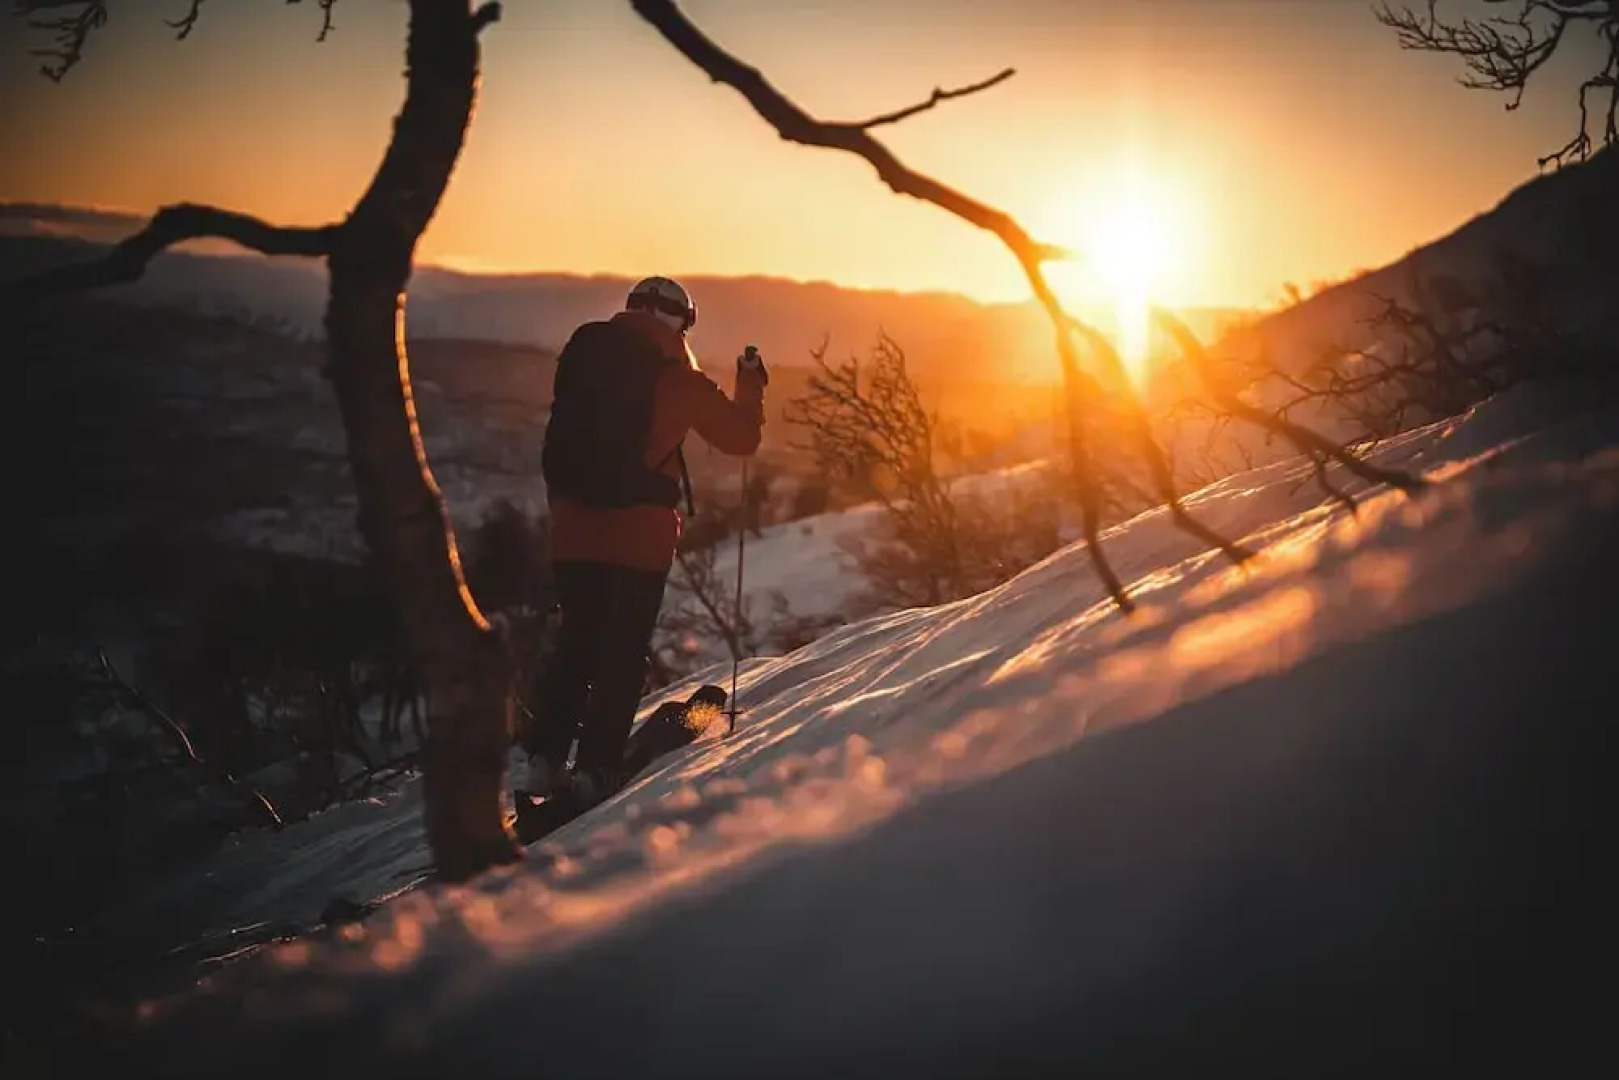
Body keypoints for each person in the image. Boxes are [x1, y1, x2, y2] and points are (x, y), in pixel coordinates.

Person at [520, 275, 767, 807]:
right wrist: (751, 387)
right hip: (638, 538)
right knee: (622, 654)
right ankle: (596, 771)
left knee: (576, 645)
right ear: (682, 323)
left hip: (572, 531)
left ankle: (544, 760)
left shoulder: (583, 364)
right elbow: (740, 439)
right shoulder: (678, 382)